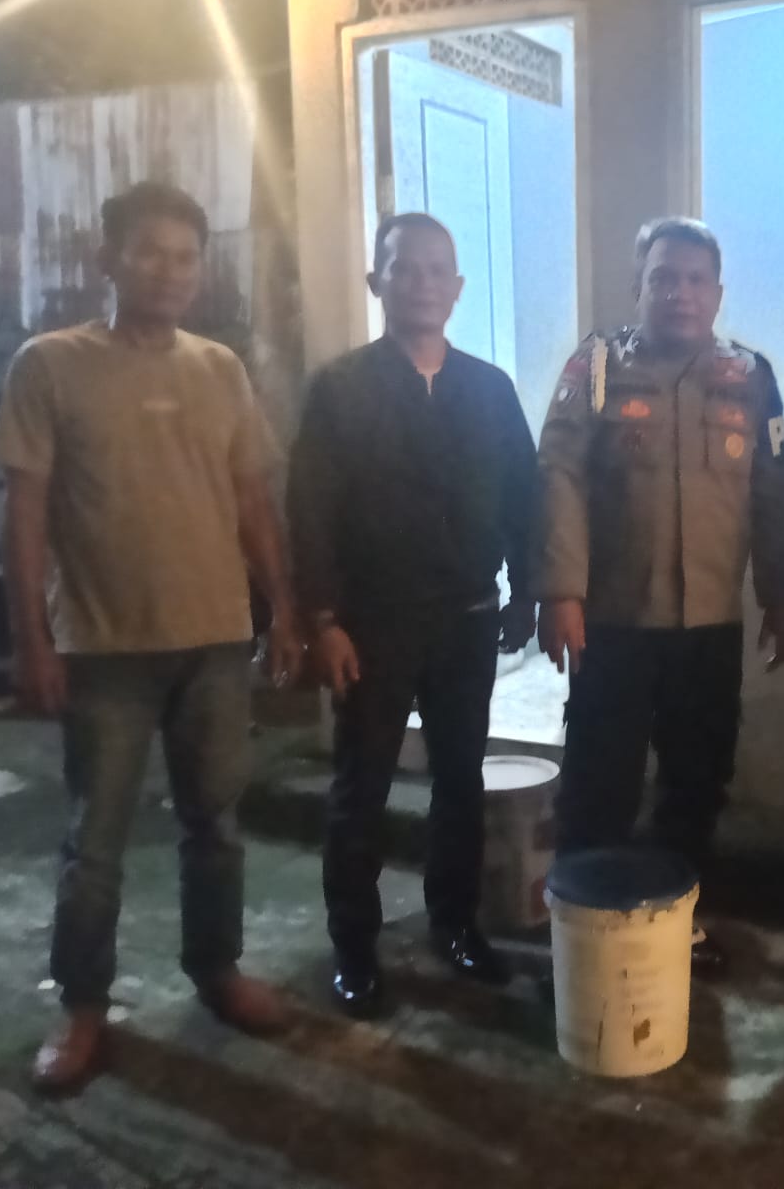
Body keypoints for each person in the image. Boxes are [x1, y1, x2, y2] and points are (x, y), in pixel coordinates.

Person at [0, 181, 302, 1094]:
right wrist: (31, 640)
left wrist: (282, 608)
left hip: (213, 643)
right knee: (96, 841)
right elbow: (26, 515)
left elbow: (251, 501)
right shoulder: (50, 366)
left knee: (216, 825)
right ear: (109, 260)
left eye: (185, 256)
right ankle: (83, 1008)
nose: (169, 271)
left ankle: (217, 969)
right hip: (103, 649)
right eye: (149, 252)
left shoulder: (220, 370)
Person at [534, 216, 784, 974]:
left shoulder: (751, 376)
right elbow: (558, 473)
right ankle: (586, 934)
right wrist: (561, 590)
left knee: (697, 780)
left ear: (717, 292)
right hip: (613, 621)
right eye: (663, 278)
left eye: (694, 280)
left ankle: (675, 923)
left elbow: (774, 489)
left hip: (708, 626)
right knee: (601, 782)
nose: (679, 293)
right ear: (638, 285)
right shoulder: (594, 364)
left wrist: (782, 595)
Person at [288, 213, 538, 1017]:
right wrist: (322, 619)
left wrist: (528, 590)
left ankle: (455, 924)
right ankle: (354, 947)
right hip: (373, 625)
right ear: (378, 282)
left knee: (460, 779)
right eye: (405, 268)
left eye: (438, 270)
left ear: (458, 288)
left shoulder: (490, 390)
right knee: (361, 786)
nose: (423, 282)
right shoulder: (340, 389)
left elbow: (524, 496)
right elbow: (310, 512)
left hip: (468, 618)